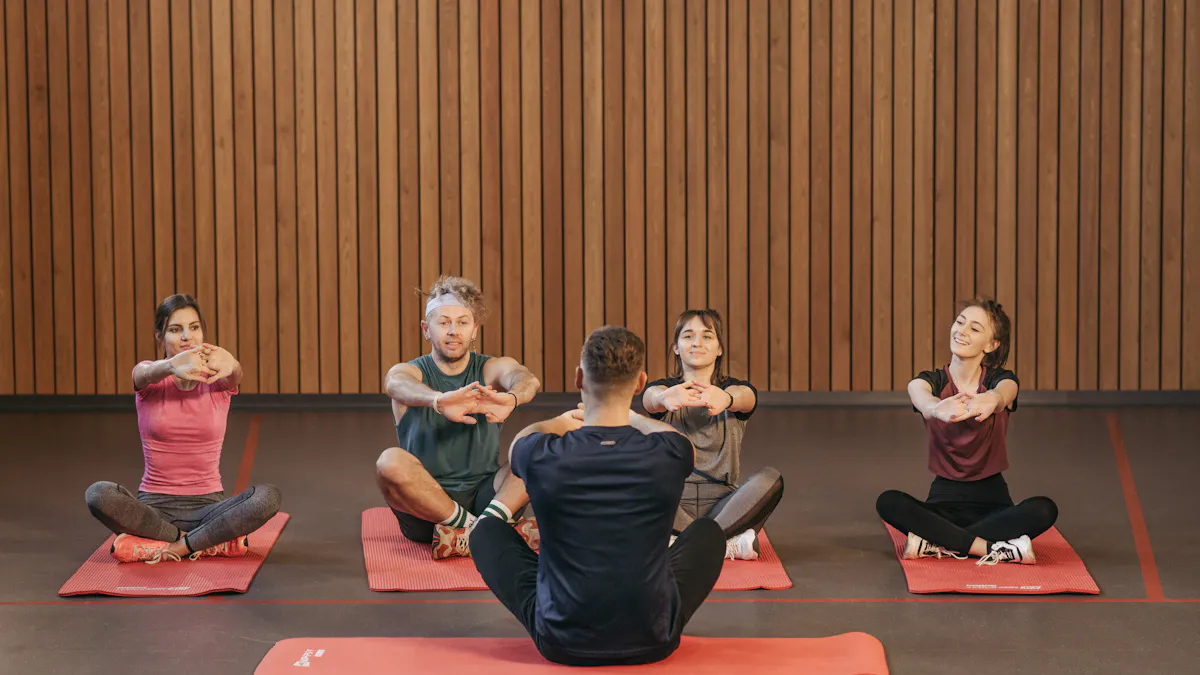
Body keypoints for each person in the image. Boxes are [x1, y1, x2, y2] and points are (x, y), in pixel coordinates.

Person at [471, 326, 726, 666]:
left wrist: (561, 421)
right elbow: (683, 444)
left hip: (561, 640)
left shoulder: (542, 452)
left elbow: (520, 443)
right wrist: (634, 418)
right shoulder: (670, 452)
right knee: (708, 532)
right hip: (654, 639)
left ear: (579, 377)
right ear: (640, 383)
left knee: (486, 530)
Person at [84, 294, 282, 564]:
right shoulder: (151, 378)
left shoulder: (216, 381)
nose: (187, 337)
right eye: (175, 330)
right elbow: (143, 373)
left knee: (267, 498)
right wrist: (170, 365)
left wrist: (233, 365)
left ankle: (171, 547)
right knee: (98, 494)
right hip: (152, 511)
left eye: (195, 327)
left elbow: (234, 374)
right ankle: (203, 542)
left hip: (209, 507)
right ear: (159, 337)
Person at [876, 298, 1058, 565]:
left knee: (1044, 509)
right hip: (942, 504)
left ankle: (939, 542)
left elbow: (1005, 391)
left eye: (974, 328)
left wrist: (992, 400)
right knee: (888, 502)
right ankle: (992, 548)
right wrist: (936, 408)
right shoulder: (931, 381)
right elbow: (919, 395)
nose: (961, 331)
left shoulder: (1000, 380)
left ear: (991, 344)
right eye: (960, 322)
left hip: (994, 504)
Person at [375, 276, 541, 559]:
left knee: (538, 446)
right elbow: (395, 383)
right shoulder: (412, 372)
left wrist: (512, 398)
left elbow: (525, 378)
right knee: (389, 462)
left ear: (474, 329)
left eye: (462, 322)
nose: (453, 331)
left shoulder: (490, 369)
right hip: (427, 512)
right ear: (426, 330)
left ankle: (469, 533)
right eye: (443, 323)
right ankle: (488, 532)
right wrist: (438, 401)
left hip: (488, 498)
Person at [641, 309, 783, 560]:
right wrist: (663, 397)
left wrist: (727, 398)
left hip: (724, 503)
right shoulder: (664, 389)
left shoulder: (732, 389)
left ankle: (681, 542)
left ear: (719, 349)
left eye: (707, 336)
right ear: (676, 347)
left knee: (770, 479)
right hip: (673, 500)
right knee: (633, 479)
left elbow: (747, 398)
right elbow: (650, 399)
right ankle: (724, 543)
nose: (697, 343)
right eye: (688, 336)